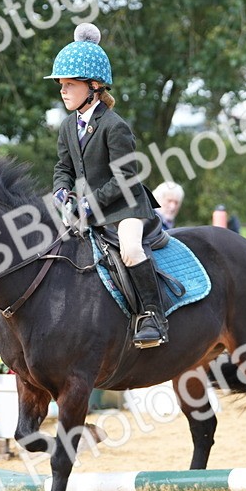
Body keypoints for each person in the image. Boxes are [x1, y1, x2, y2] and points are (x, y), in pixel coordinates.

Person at [48, 22, 165, 348]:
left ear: (94, 87)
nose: (63, 90)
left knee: (129, 249)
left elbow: (126, 177)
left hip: (126, 206)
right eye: (61, 85)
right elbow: (63, 167)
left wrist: (86, 204)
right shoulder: (68, 126)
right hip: (90, 207)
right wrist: (61, 191)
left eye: (70, 84)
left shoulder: (115, 126)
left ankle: (153, 317)